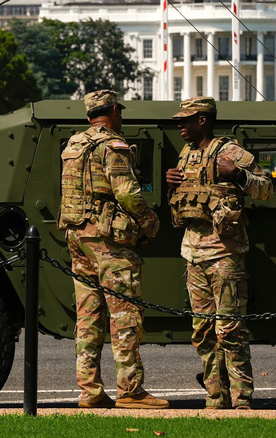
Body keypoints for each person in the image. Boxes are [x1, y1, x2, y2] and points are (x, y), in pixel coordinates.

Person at [57, 89, 167, 410]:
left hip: (77, 237)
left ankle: (89, 391)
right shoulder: (112, 145)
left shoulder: (73, 146)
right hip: (108, 240)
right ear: (116, 111)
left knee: (88, 316)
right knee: (124, 315)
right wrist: (149, 223)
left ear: (89, 115)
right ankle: (130, 390)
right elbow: (128, 193)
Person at [166, 97, 273, 410]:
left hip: (225, 254)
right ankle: (215, 398)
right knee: (202, 332)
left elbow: (266, 188)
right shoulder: (186, 154)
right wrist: (172, 185)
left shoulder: (231, 152)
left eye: (185, 120)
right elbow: (186, 199)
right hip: (193, 254)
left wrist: (237, 174)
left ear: (203, 120)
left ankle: (241, 401)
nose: (180, 126)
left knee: (230, 331)